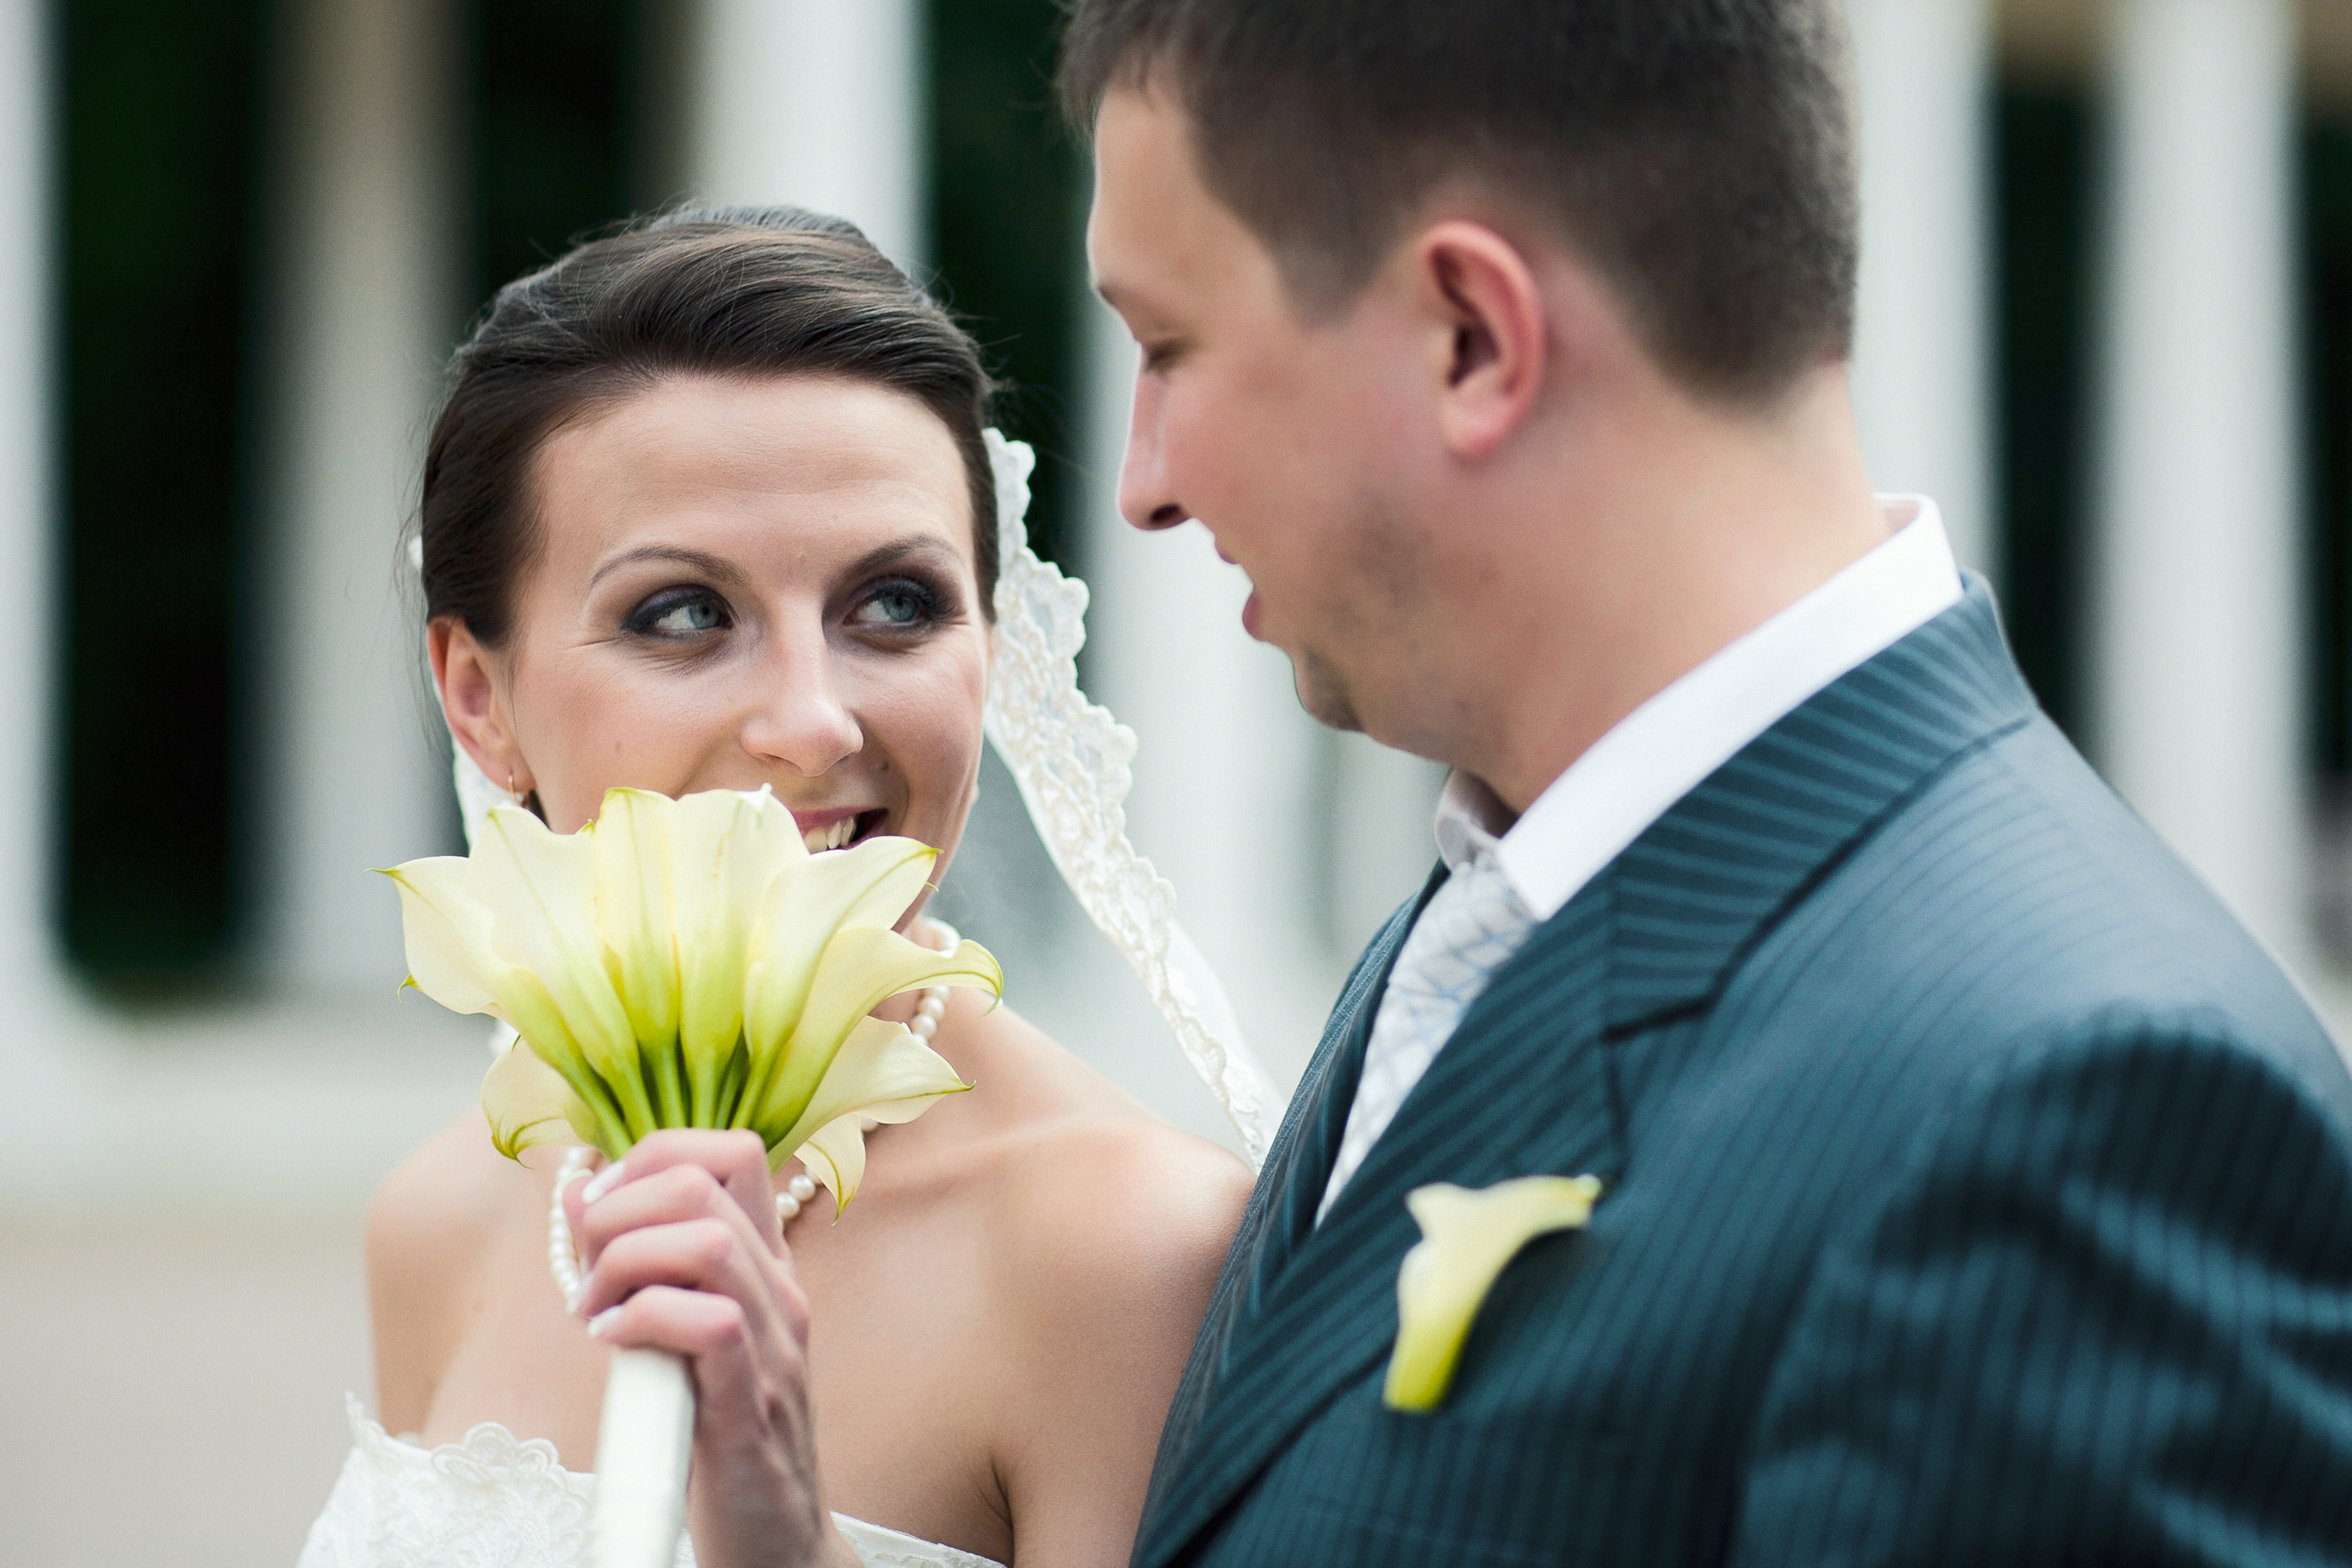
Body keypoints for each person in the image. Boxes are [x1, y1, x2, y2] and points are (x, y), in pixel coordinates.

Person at [1058, 2, 2352, 1564]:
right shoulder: (1488, 910)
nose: (1142, 485)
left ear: (1471, 335)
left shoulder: (2077, 1112)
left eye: (1171, 346)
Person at [299, 208, 1252, 1568]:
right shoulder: (443, 1221)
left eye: (897, 606)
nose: (813, 721)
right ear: (478, 697)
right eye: (683, 613)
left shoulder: (1126, 1253)